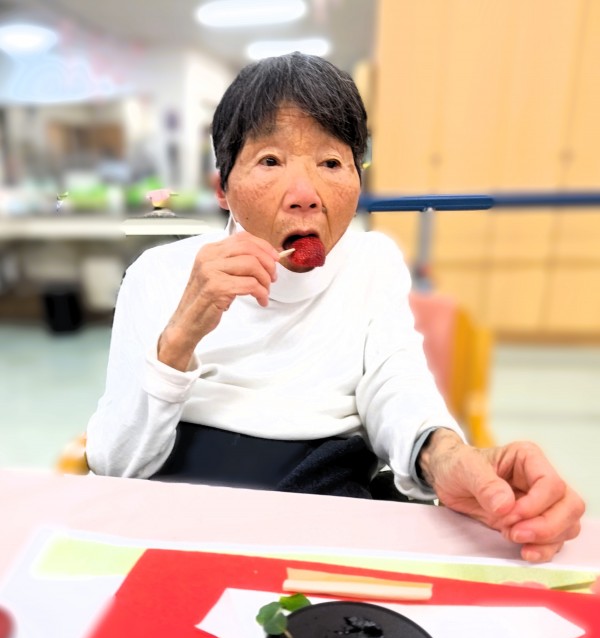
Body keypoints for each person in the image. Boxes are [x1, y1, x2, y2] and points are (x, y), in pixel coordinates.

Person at [86, 52, 584, 563]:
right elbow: (114, 465)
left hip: (325, 500)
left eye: (330, 163)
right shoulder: (158, 274)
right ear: (223, 190)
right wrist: (179, 339)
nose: (306, 195)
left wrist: (446, 455)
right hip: (181, 503)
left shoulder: (372, 261)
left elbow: (394, 383)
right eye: (270, 161)